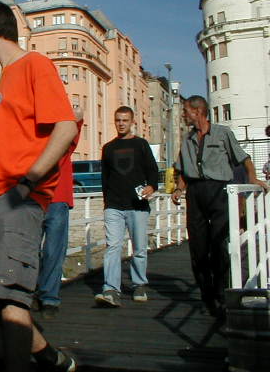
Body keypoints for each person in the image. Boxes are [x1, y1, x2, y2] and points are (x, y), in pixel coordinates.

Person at [0, 0, 78, 372]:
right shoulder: (3, 80)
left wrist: (28, 182)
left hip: (18, 198)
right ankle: (51, 361)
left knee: (12, 297)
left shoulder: (35, 65)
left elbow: (65, 127)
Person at [172, 95, 268, 318]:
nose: (184, 115)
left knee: (219, 245)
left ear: (198, 112)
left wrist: (253, 179)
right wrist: (178, 189)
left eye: (186, 111)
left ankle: (221, 293)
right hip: (196, 193)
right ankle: (207, 296)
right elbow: (183, 170)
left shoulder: (223, 133)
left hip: (218, 192)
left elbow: (243, 159)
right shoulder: (187, 139)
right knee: (198, 249)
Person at [95, 106, 159, 308]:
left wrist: (152, 186)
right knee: (113, 247)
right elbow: (105, 178)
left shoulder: (141, 144)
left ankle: (139, 285)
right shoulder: (108, 148)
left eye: (125, 120)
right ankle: (110, 289)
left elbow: (153, 170)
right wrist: (107, 203)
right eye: (118, 120)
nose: (121, 124)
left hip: (137, 205)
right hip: (114, 205)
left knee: (139, 248)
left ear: (132, 122)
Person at [35, 108, 83, 319]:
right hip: (35, 198)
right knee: (31, 250)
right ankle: (38, 292)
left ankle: (49, 297)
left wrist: (76, 116)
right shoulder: (34, 137)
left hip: (57, 199)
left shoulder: (64, 135)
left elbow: (74, 125)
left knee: (53, 251)